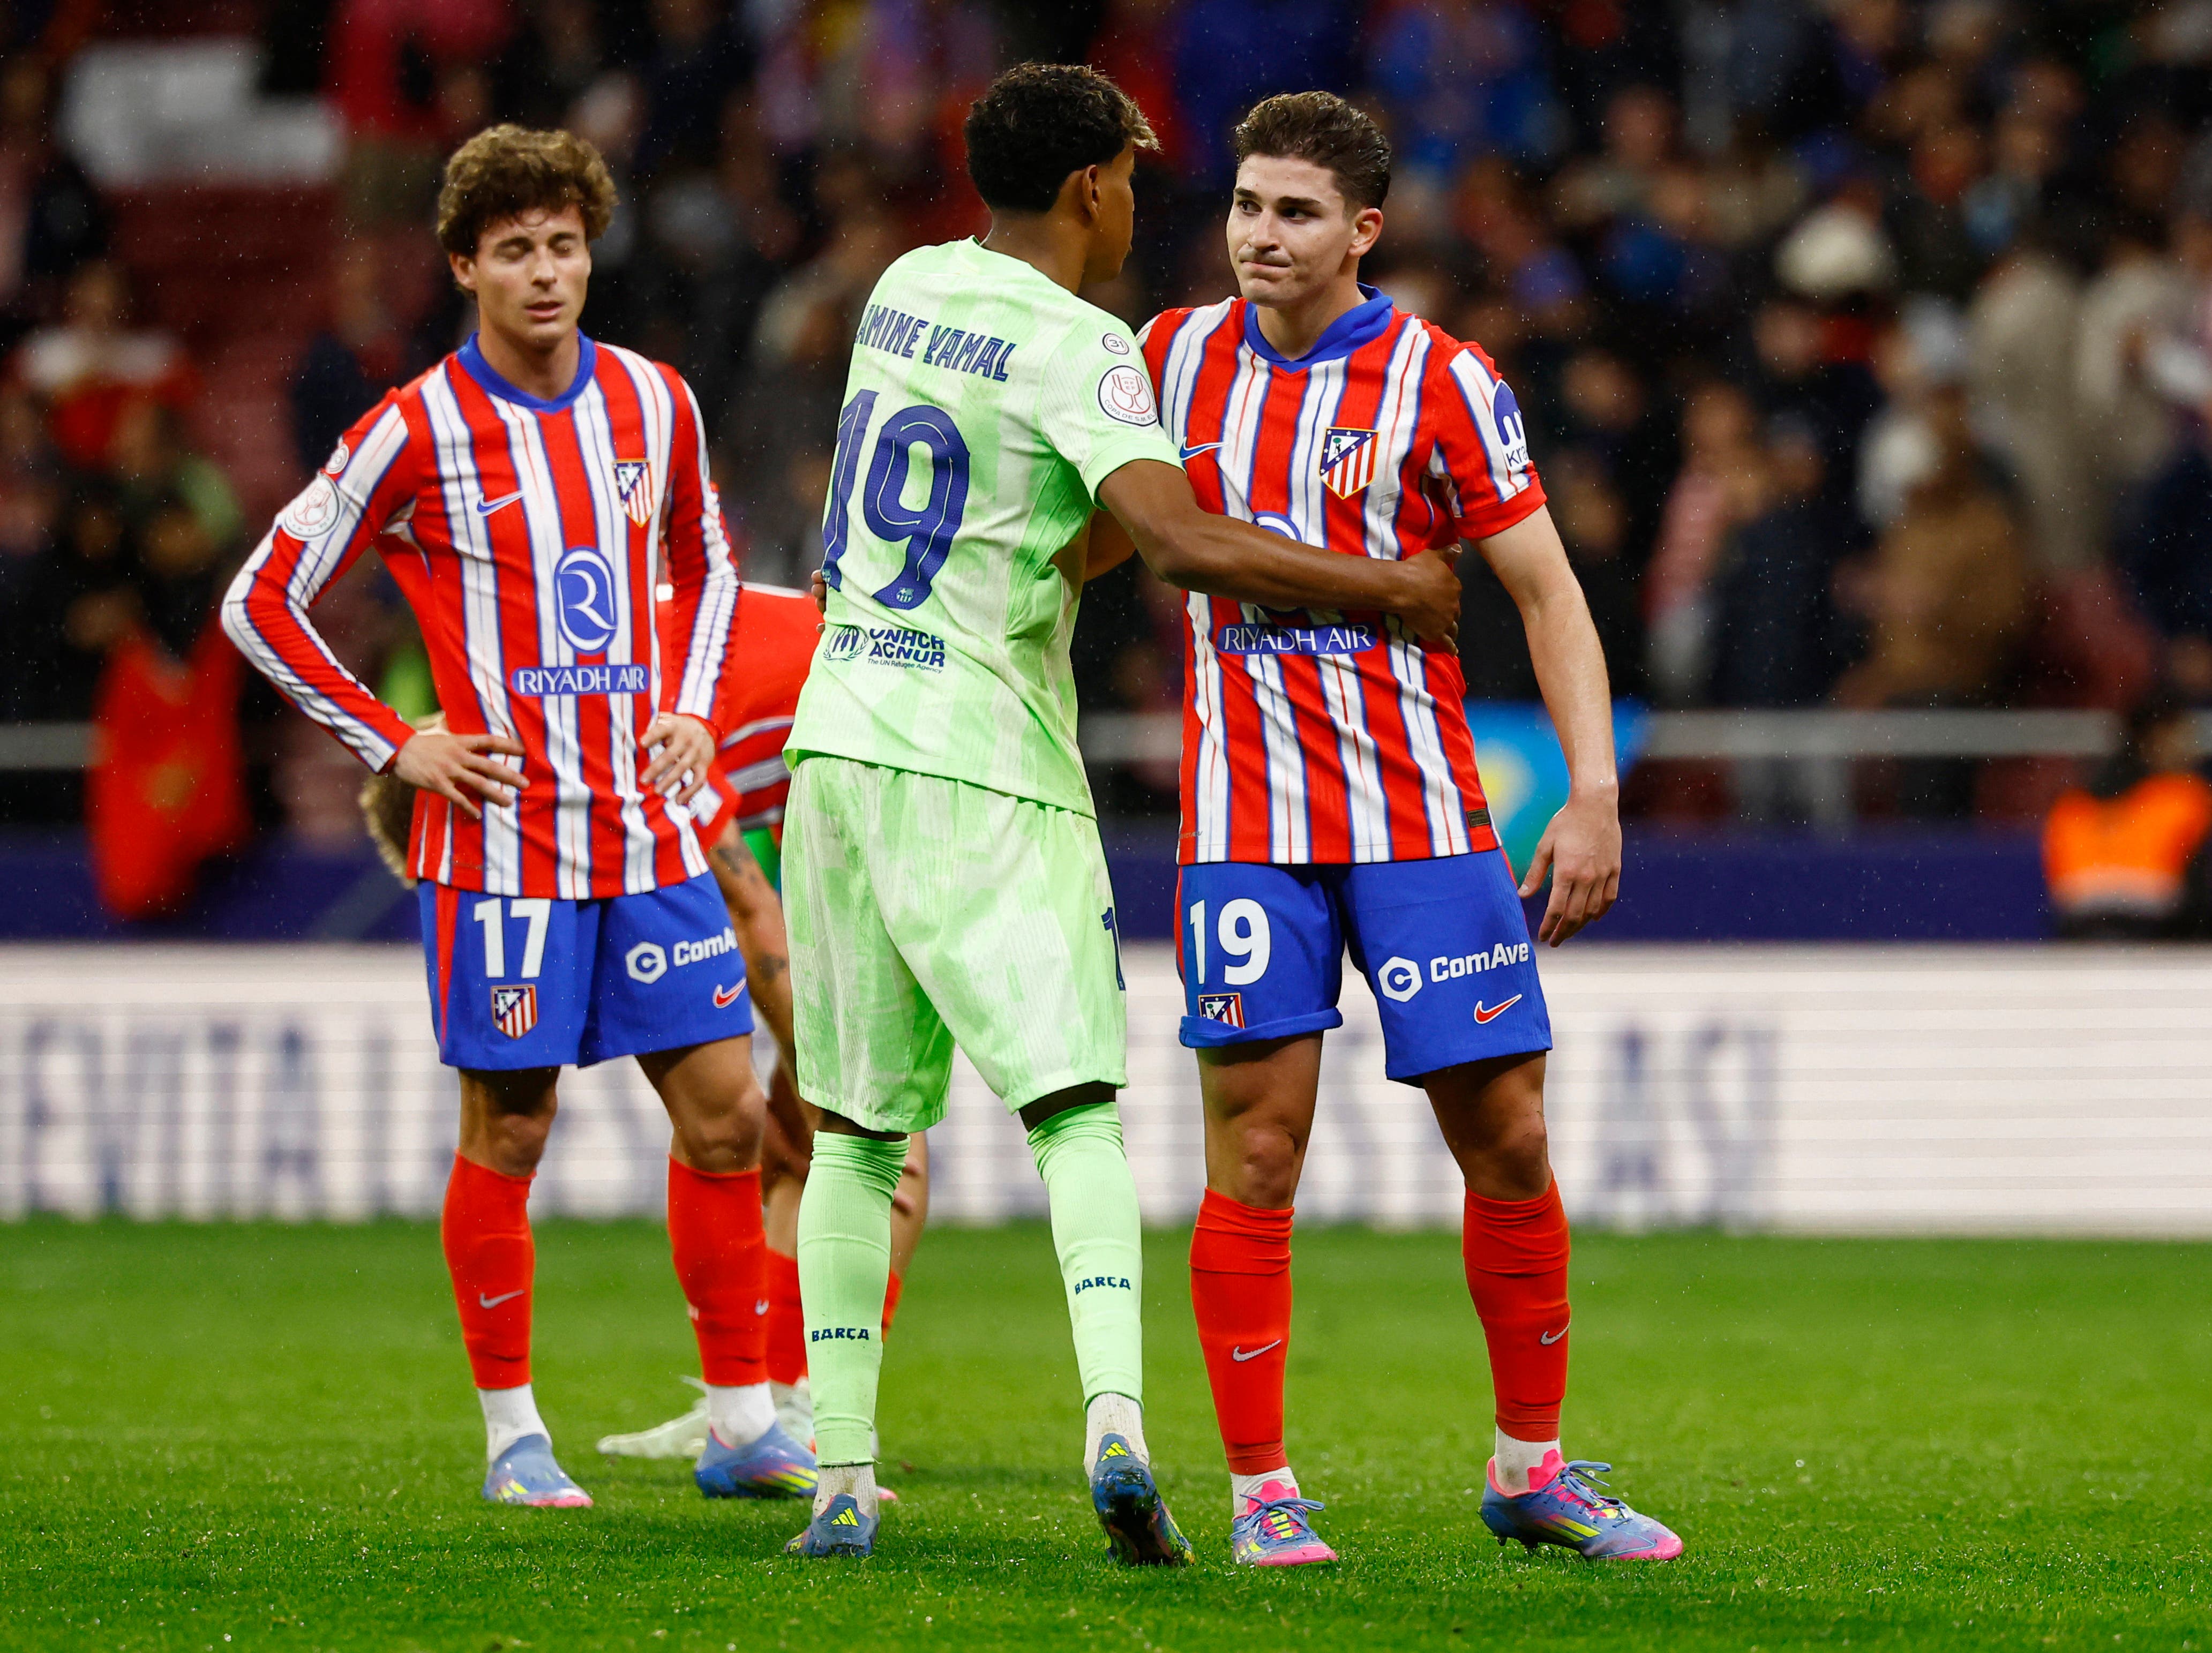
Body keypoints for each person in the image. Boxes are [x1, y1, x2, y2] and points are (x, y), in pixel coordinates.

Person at [777, 62, 1463, 1562]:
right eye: (1139, 177)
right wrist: (1392, 587)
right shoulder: (1085, 343)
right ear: (1093, 185)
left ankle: (838, 1471)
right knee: (1074, 1106)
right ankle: (1115, 1428)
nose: (1150, 204)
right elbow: (1169, 543)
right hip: (979, 757)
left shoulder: (905, 286)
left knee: (856, 1130)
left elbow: (1023, 521)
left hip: (839, 738)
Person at [1104, 91, 1682, 1566]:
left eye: (1294, 213)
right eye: (1244, 206)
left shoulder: (1440, 377)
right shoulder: (1164, 362)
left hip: (1422, 821)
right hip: (1244, 824)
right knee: (1256, 1148)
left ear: (1365, 230)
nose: (1260, 237)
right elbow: (1089, 542)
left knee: (1506, 1132)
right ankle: (1260, 1489)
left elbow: (1547, 593)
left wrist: (1594, 790)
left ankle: (1531, 1464)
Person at [221, 124, 814, 1511]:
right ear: (464, 267)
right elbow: (264, 596)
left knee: (727, 1110)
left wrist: (685, 695)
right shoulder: (413, 426)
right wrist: (397, 736)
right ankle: (512, 1436)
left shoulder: (655, 402)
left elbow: (708, 565)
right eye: (514, 250)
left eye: (563, 244)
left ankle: (740, 1419)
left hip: (649, 828)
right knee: (512, 1130)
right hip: (499, 845)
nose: (546, 272)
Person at [597, 580, 931, 1466]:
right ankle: (765, 1400)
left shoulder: (623, 708)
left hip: (901, 768)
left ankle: (816, 1407)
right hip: (810, 792)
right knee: (793, 1143)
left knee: (873, 1127)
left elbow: (751, 911)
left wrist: (808, 1050)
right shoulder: (591, 661)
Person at [2043, 692, 2212, 940]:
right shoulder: (2186, 797)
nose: (2191, 749)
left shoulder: (2071, 805)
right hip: (2160, 940)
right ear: (2155, 738)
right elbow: (2199, 900)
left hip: (2081, 941)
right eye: (2182, 737)